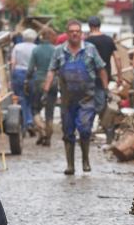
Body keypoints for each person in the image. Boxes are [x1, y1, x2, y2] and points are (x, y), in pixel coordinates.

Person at [45, 20, 108, 175]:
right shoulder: (59, 51)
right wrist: (46, 89)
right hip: (67, 100)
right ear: (67, 34)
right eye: (71, 31)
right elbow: (52, 70)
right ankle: (70, 165)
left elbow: (101, 69)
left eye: (77, 31)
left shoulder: (90, 49)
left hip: (87, 98)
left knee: (85, 129)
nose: (74, 33)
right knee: (68, 132)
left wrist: (106, 89)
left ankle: (85, 160)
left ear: (81, 34)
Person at [29, 26, 59, 146]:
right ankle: (48, 136)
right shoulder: (56, 50)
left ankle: (41, 130)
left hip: (39, 81)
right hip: (53, 82)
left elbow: (31, 68)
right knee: (50, 111)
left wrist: (27, 79)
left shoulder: (36, 50)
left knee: (35, 109)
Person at [10, 28, 38, 131]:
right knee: (31, 98)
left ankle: (25, 123)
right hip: (32, 74)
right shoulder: (36, 48)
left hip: (19, 73)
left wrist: (12, 77)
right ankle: (30, 121)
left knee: (21, 98)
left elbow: (13, 63)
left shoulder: (17, 47)